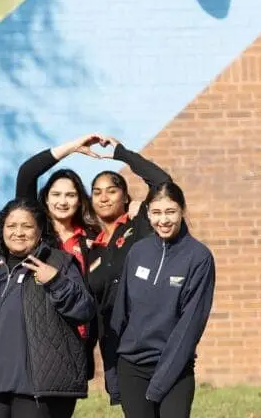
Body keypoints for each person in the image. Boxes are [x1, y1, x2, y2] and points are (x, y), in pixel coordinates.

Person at [0, 198, 96, 418]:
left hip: (39, 390)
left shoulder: (59, 263)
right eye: (11, 226)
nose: (18, 232)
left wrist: (56, 282)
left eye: (27, 226)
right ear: (1, 230)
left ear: (40, 231)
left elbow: (84, 311)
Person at [110, 182, 215, 418]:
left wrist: (160, 383)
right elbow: (121, 312)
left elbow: (191, 324)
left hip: (175, 370)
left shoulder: (199, 257)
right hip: (132, 368)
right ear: (148, 213)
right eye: (156, 213)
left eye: (170, 212)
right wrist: (113, 372)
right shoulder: (137, 252)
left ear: (182, 211)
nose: (163, 220)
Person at [85, 137, 172, 403]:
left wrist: (122, 153)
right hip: (115, 347)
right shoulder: (91, 247)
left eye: (111, 190)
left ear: (125, 195)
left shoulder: (141, 225)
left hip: (153, 341)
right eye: (97, 192)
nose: (104, 197)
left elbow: (162, 183)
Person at [14, 134, 103, 377]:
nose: (63, 201)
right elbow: (27, 173)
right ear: (45, 197)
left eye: (70, 195)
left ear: (79, 200)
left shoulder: (93, 239)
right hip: (35, 339)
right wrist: (73, 147)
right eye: (56, 194)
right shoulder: (34, 232)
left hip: (77, 338)